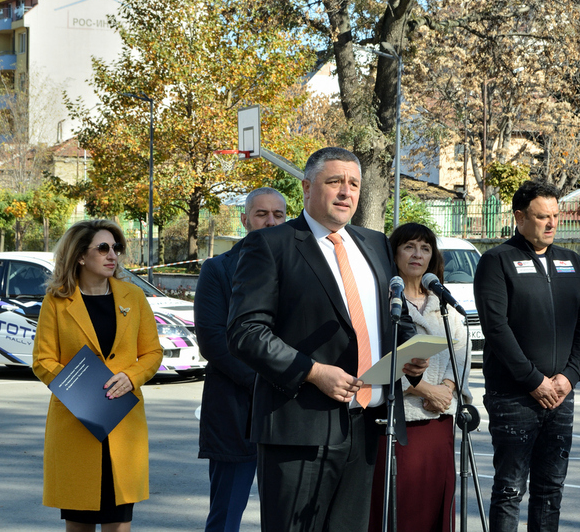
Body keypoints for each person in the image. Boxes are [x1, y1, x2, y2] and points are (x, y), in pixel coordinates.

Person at [227, 146, 426, 532]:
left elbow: (388, 318)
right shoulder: (270, 245)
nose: (345, 192)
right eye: (334, 182)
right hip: (300, 426)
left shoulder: (374, 243)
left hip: (369, 423)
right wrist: (312, 371)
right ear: (306, 187)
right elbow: (246, 332)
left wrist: (407, 352)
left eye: (353, 184)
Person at [474, 180, 580, 532]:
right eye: (542, 217)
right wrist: (533, 381)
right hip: (514, 396)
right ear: (519, 217)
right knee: (511, 489)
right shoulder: (497, 261)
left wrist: (570, 377)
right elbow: (496, 328)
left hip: (560, 394)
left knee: (551, 489)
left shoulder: (571, 262)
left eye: (555, 216)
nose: (551, 224)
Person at [33, 219, 163, 532]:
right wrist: (81, 389)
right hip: (78, 424)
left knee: (119, 524)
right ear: (80, 256)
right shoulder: (57, 300)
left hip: (122, 424)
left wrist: (131, 377)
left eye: (115, 248)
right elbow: (42, 360)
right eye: (102, 248)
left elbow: (152, 353)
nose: (112, 255)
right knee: (79, 526)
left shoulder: (133, 297)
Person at [367, 222, 472, 532]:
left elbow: (461, 352)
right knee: (402, 506)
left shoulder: (444, 306)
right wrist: (425, 390)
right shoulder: (385, 304)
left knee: (436, 503)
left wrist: (447, 389)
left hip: (440, 420)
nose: (418, 254)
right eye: (409, 247)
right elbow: (378, 361)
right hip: (400, 421)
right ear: (394, 253)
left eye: (425, 248)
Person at [195, 187, 287, 532]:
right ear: (245, 219)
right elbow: (214, 341)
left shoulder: (298, 266)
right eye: (262, 214)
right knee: (225, 517)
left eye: (278, 215)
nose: (270, 221)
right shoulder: (217, 270)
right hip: (234, 409)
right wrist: (271, 379)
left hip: (286, 411)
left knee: (285, 515)